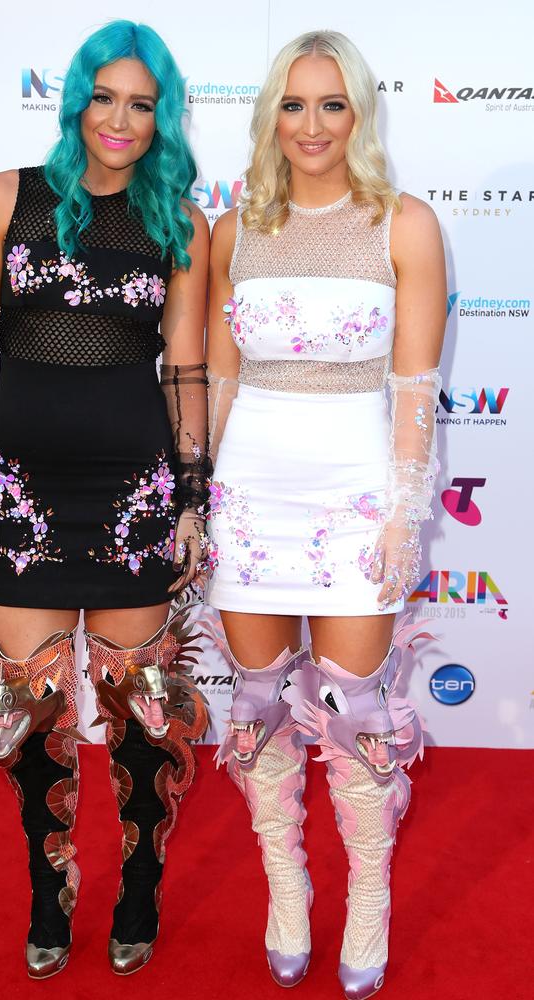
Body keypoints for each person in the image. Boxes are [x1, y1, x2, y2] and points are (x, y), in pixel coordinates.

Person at [0, 19, 210, 980]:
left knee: (140, 715)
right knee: (33, 714)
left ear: (162, 117)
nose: (121, 120)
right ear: (76, 102)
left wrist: (190, 500)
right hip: (26, 496)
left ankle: (141, 883)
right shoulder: (9, 198)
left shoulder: (179, 218)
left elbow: (186, 373)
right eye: (105, 98)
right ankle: (49, 883)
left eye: (143, 104)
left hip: (134, 498)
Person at [206, 30, 445, 999]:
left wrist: (400, 511)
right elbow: (219, 376)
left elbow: (414, 381)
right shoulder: (234, 230)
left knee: (353, 714)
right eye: (294, 105)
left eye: (331, 104)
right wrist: (196, 497)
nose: (311, 125)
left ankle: (369, 895)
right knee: (260, 707)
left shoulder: (404, 225)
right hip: (249, 494)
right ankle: (286, 886)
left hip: (354, 496)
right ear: (271, 115)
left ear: (359, 113)